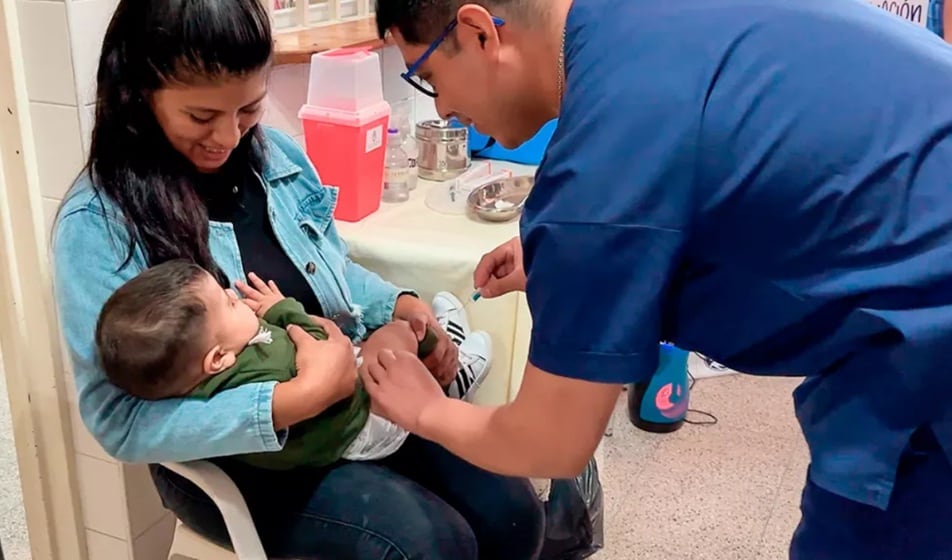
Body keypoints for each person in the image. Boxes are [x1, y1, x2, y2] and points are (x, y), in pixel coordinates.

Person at [365, 0, 952, 558]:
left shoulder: (601, 167)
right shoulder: (637, 25)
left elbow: (553, 441)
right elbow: (743, 162)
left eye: (426, 76)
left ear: (479, 32)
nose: (440, 110)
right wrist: (572, 261)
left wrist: (425, 410)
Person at [51, 0, 544, 558]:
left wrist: (397, 305)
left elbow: (332, 267)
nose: (228, 138)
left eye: (248, 110)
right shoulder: (100, 226)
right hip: (242, 458)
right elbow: (121, 421)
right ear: (138, 92)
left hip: (350, 403)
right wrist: (293, 399)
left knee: (514, 515)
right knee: (430, 545)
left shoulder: (274, 157)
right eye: (200, 117)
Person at [95, 259, 492, 467]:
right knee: (394, 338)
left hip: (347, 408)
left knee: (387, 335)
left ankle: (439, 356)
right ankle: (446, 376)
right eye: (231, 303)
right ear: (218, 357)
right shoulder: (260, 373)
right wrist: (285, 309)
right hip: (367, 419)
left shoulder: (218, 367)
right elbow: (319, 344)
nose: (238, 298)